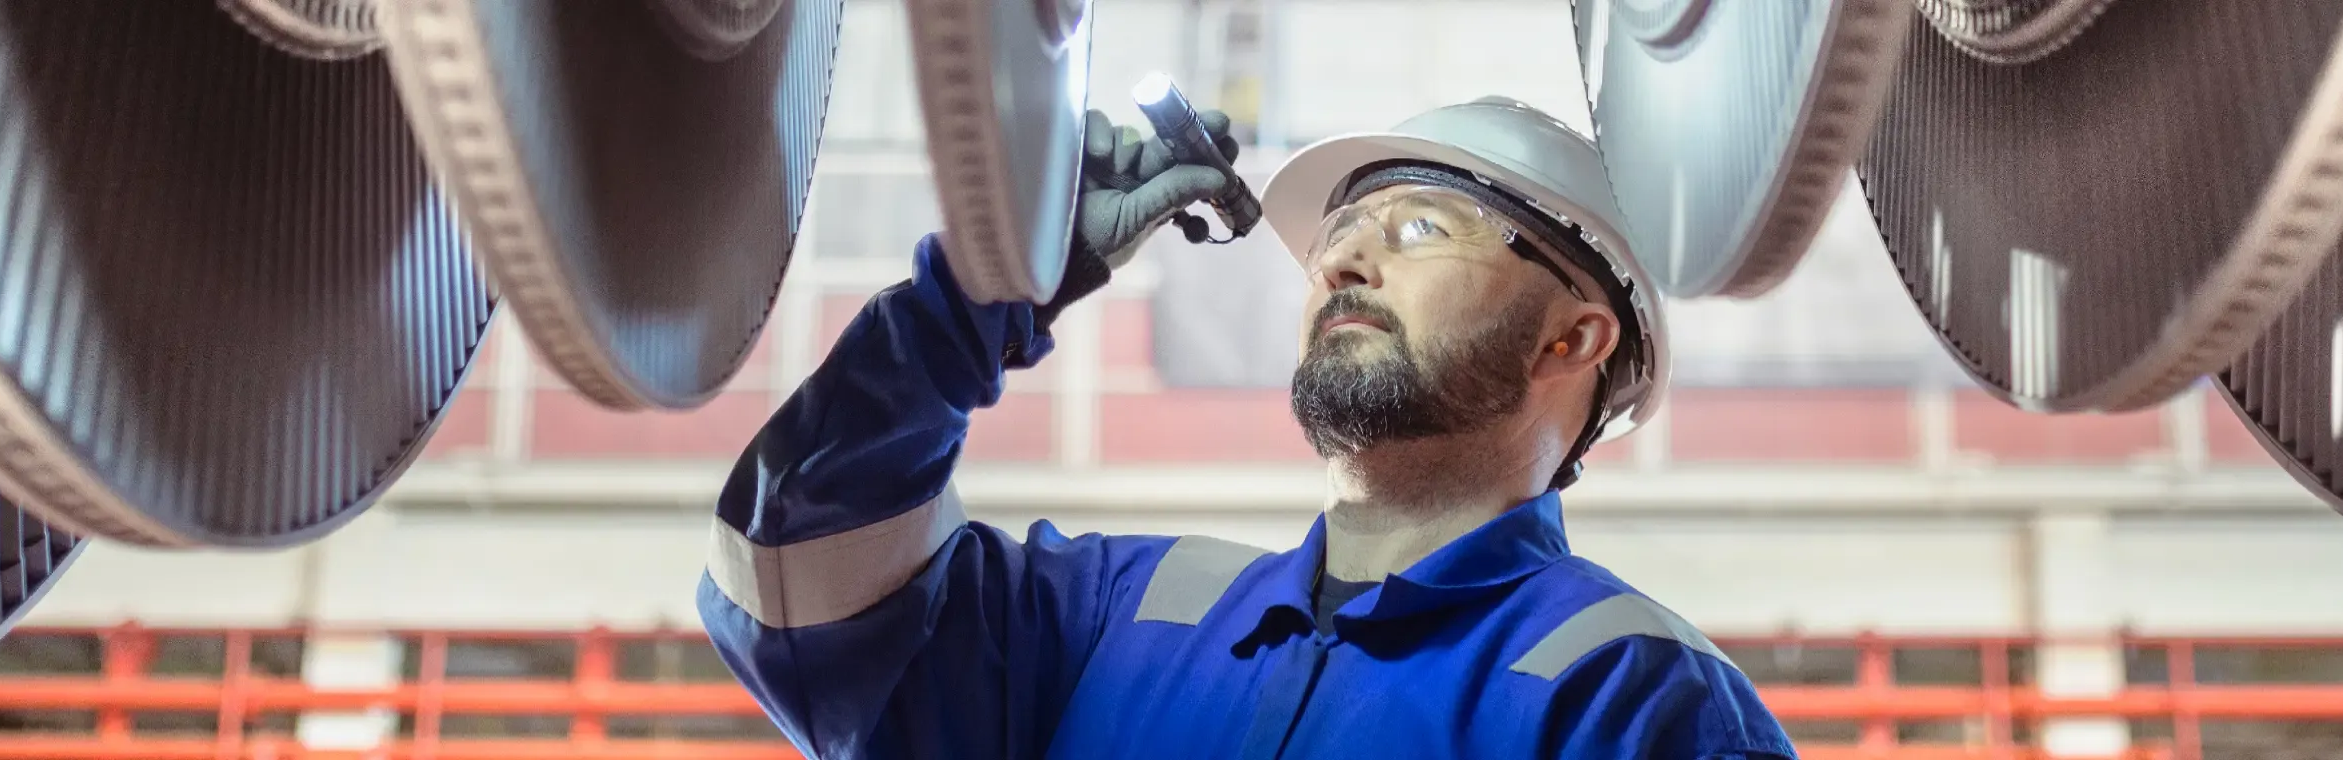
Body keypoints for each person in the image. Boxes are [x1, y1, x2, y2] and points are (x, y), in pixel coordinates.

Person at [699, 97, 1789, 759]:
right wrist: (982, 294)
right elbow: (788, 577)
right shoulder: (1108, 617)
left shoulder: (1636, 696)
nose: (1346, 261)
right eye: (1343, 236)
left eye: (1419, 226)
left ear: (1572, 338)